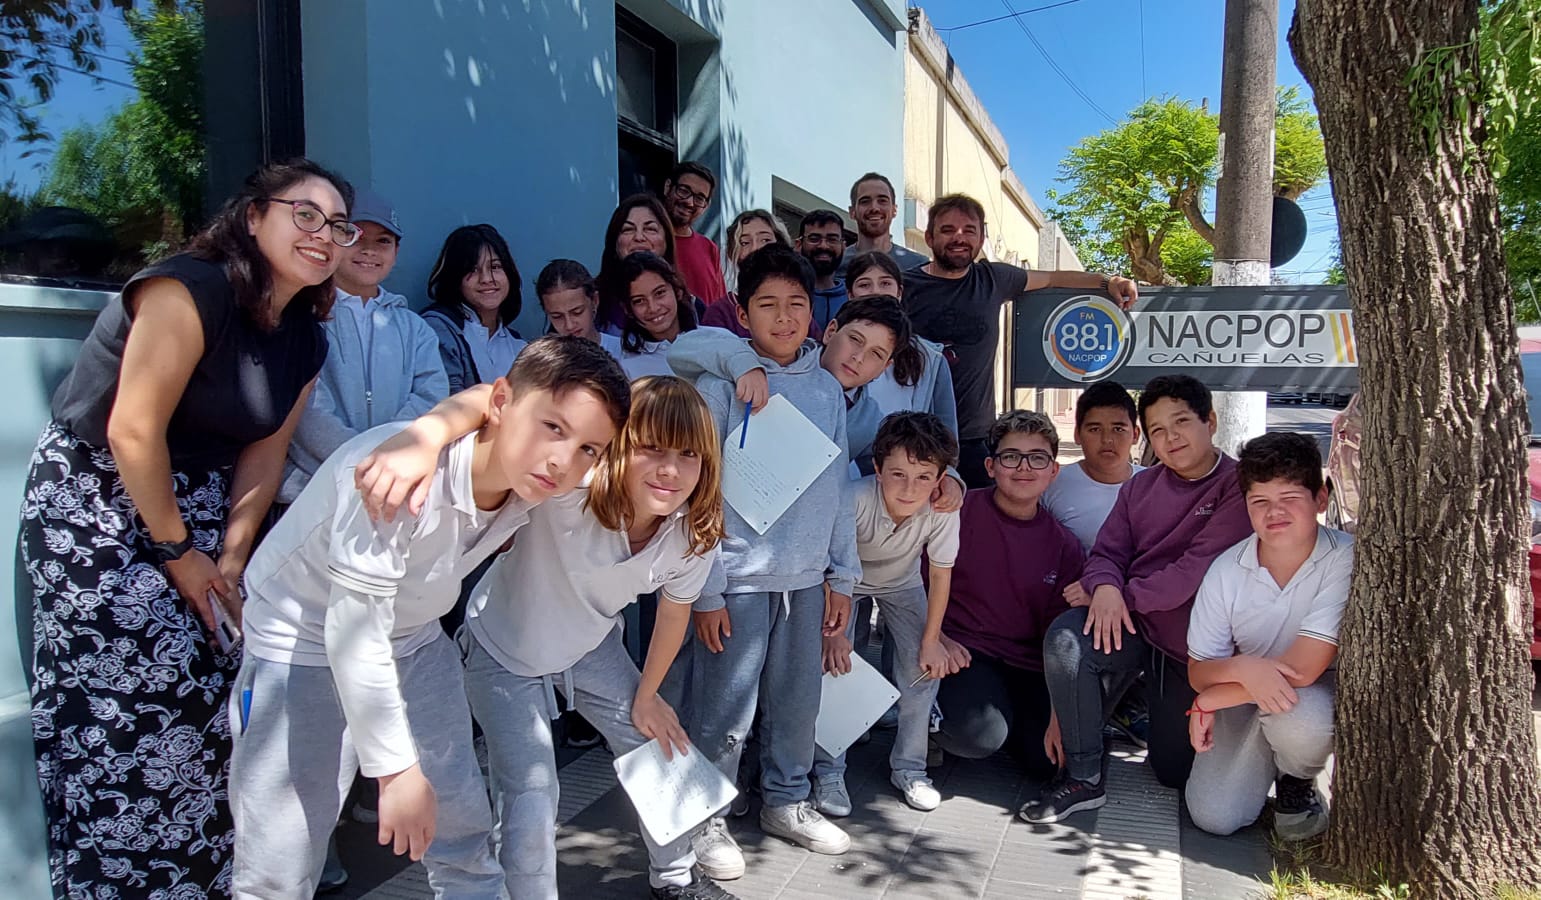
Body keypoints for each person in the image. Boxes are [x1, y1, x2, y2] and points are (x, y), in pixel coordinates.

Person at [22, 158, 349, 897]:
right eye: (305, 213)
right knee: (131, 708)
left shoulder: (305, 336)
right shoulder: (187, 287)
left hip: (203, 505)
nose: (323, 234)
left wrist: (231, 562)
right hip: (100, 502)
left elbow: (264, 455)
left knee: (216, 695)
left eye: (337, 225)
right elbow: (131, 431)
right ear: (253, 215)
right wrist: (178, 554)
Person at [230, 337, 631, 897]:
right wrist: (394, 771)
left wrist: (437, 423)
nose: (565, 459)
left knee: (462, 825)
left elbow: (637, 461)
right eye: (554, 428)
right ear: (500, 403)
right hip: (302, 640)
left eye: (589, 448)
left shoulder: (536, 478)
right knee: (281, 860)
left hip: (415, 638)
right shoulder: (396, 475)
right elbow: (354, 632)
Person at [462, 376, 737, 900]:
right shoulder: (568, 491)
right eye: (651, 448)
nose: (670, 470)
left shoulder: (692, 531)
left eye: (688, 454)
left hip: (589, 643)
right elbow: (501, 429)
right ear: (617, 447)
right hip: (504, 647)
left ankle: (676, 878)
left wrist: (648, 696)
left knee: (659, 742)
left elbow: (674, 616)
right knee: (531, 789)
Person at [669, 244, 860, 880]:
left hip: (806, 581)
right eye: (767, 306)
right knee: (724, 708)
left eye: (796, 305)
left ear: (815, 312)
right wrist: (709, 590)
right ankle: (707, 814)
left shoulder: (829, 390)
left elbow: (836, 486)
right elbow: (700, 493)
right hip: (739, 581)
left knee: (797, 701)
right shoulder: (720, 383)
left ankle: (787, 799)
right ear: (743, 313)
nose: (783, 318)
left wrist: (841, 574)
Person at [1023, 375, 1252, 824]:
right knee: (1069, 640)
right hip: (1139, 627)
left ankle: (1141, 710)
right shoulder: (1141, 488)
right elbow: (1109, 551)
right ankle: (1084, 777)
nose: (1171, 438)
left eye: (1182, 422)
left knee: (1173, 773)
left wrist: (1118, 596)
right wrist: (1105, 587)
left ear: (1210, 421)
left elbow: (1193, 571)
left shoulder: (1236, 485)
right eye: (1159, 429)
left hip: (1194, 648)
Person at [902, 193, 1139, 487]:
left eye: (969, 230)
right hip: (915, 434)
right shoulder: (905, 286)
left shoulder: (993, 279)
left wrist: (1108, 282)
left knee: (977, 526)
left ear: (981, 237)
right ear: (928, 236)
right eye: (947, 229)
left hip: (975, 439)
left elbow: (1053, 278)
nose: (959, 237)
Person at [1185, 431, 1349, 842]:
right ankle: (1263, 767)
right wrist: (1241, 667)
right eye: (1260, 501)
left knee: (1302, 722)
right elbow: (1199, 670)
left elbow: (1303, 669)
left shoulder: (1345, 557)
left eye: (1290, 498)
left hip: (1310, 694)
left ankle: (1297, 777)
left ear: (1321, 498)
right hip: (1246, 694)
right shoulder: (1227, 569)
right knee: (1214, 817)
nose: (1274, 512)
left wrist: (1210, 700)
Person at [927, 411, 1086, 786]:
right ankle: (929, 722)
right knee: (978, 736)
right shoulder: (957, 513)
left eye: (1038, 457)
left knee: (1053, 764)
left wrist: (1058, 715)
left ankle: (1014, 724)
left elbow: (1060, 639)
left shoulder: (1064, 546)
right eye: (1011, 456)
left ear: (1053, 470)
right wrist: (938, 638)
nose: (1023, 467)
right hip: (961, 652)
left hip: (1027, 664)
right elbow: (913, 587)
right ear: (991, 466)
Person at [815, 412, 961, 816]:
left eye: (923, 476)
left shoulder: (942, 508)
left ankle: (910, 767)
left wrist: (932, 641)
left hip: (903, 582)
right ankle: (829, 771)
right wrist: (832, 634)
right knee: (837, 667)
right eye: (897, 474)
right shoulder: (853, 498)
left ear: (940, 478)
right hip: (844, 583)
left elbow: (941, 573)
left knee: (920, 671)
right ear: (877, 469)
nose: (910, 488)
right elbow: (829, 565)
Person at [280, 187, 450, 510]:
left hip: (396, 492)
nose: (369, 250)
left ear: (396, 252)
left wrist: (389, 456)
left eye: (383, 241)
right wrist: (365, 462)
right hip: (316, 497)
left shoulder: (415, 329)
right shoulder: (305, 320)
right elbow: (308, 412)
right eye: (355, 236)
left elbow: (432, 396)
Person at [844, 250, 958, 443]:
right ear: (849, 294)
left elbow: (946, 435)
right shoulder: (835, 352)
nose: (876, 291)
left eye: (885, 283)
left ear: (899, 292)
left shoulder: (930, 359)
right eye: (864, 285)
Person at [421, 224, 526, 392]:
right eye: (472, 269)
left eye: (495, 267)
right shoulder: (438, 330)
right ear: (455, 278)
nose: (486, 279)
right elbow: (449, 403)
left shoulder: (519, 346)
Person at [1040, 382, 1143, 553]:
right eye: (1095, 429)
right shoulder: (1051, 484)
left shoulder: (1156, 484)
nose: (1107, 440)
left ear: (1135, 434)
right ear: (1077, 434)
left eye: (1118, 429)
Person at [699, 209, 798, 337]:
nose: (756, 248)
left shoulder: (798, 304)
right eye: (745, 243)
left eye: (765, 240)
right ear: (732, 253)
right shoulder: (721, 313)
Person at [597, 194, 680, 333]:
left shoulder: (692, 305)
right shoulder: (591, 302)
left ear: (667, 240)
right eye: (628, 229)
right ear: (615, 242)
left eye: (650, 229)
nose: (639, 237)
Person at [619, 251, 700, 379]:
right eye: (639, 301)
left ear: (677, 290)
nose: (653, 308)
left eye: (659, 293)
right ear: (628, 310)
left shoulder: (717, 339)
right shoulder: (627, 369)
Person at [836, 172, 929, 276]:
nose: (874, 208)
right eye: (865, 201)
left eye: (882, 201)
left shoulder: (918, 266)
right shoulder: (835, 265)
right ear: (852, 212)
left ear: (894, 210)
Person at [662, 161, 728, 304]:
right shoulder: (647, 241)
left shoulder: (709, 249)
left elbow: (719, 307)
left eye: (699, 198)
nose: (690, 202)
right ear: (668, 187)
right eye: (684, 191)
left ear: (706, 206)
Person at [536, 258, 624, 361]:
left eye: (577, 312)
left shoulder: (626, 353)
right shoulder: (543, 364)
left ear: (595, 301)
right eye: (557, 316)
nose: (569, 325)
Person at [797, 209, 849, 331]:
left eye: (832, 239)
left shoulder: (854, 296)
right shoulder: (787, 293)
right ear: (798, 245)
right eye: (814, 239)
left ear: (843, 246)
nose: (823, 246)